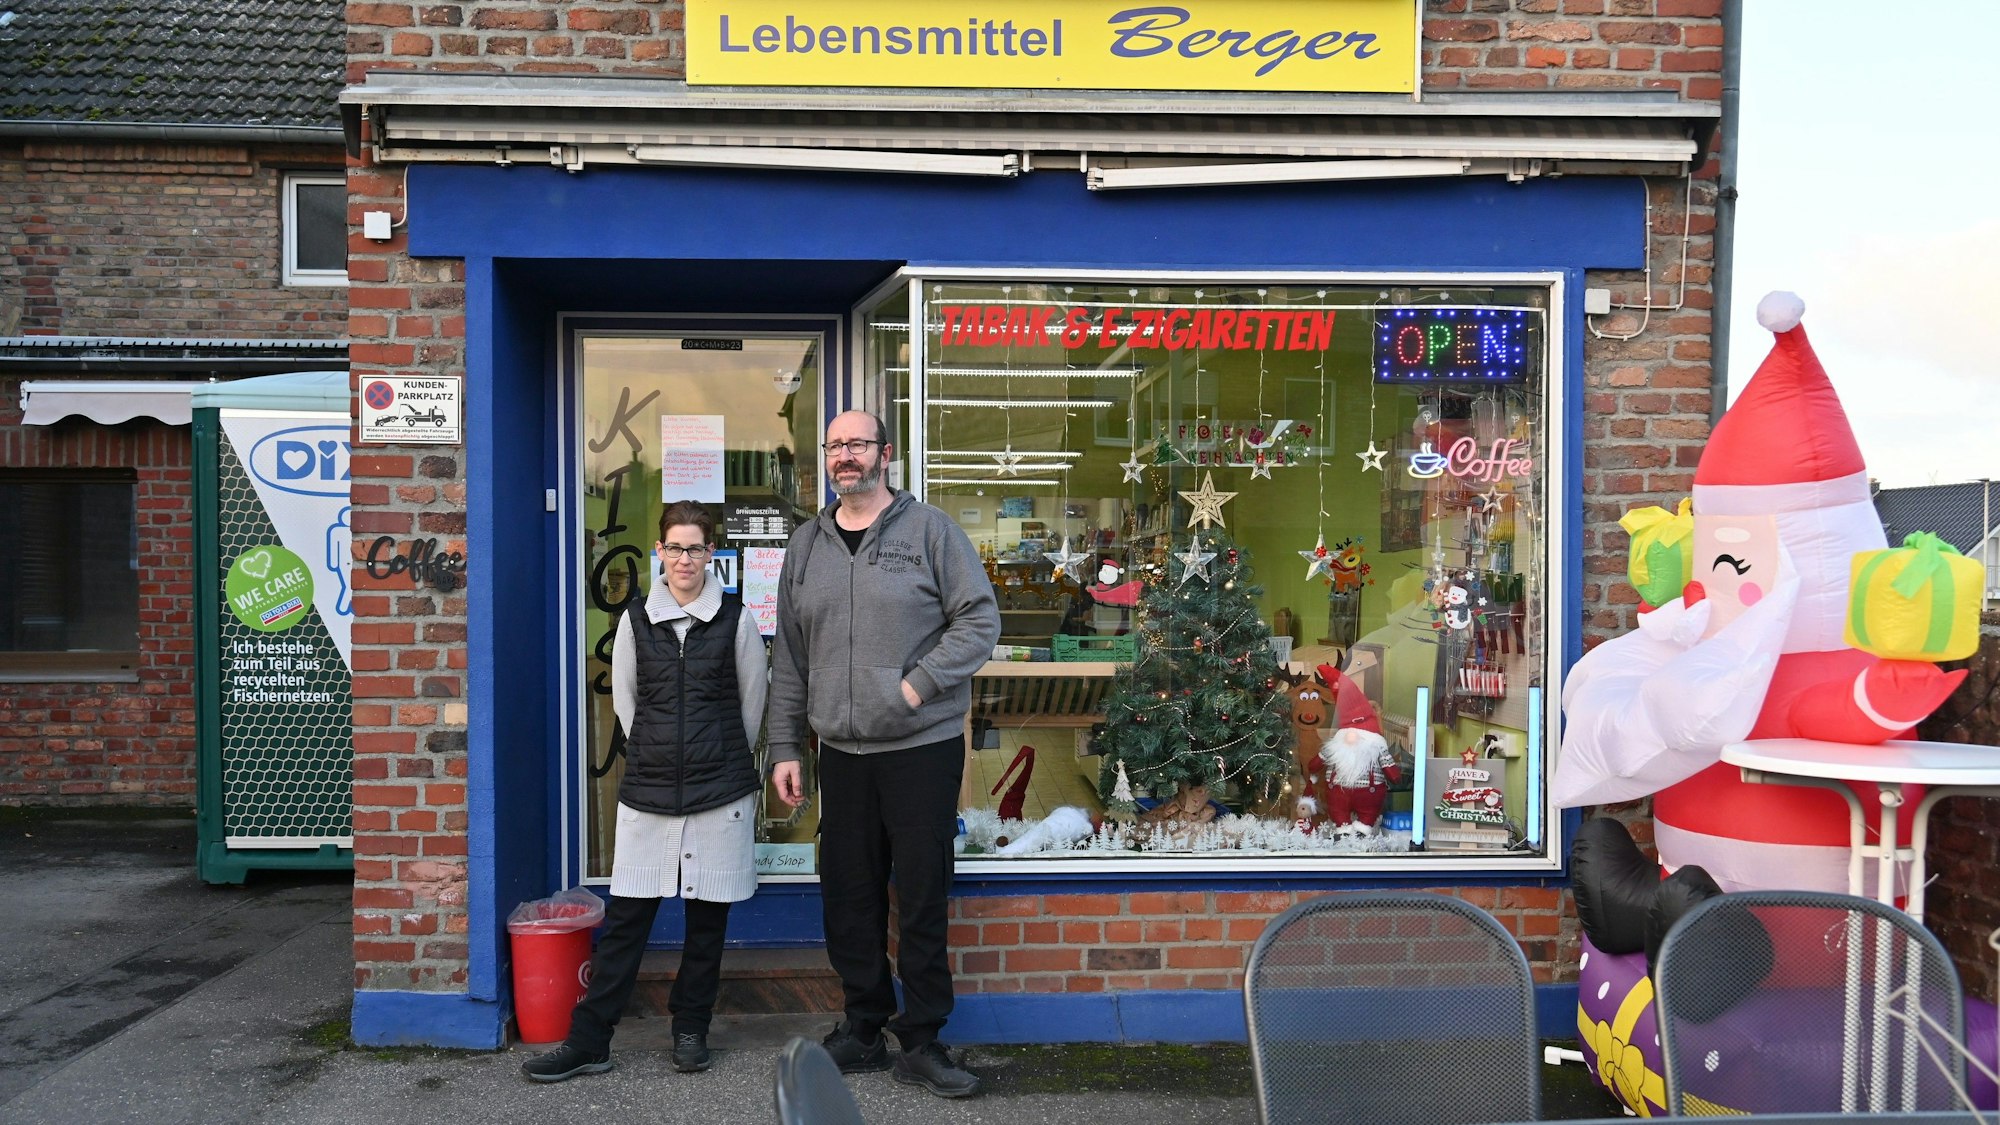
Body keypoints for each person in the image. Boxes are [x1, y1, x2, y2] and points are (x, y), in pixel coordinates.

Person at [767, 410, 1000, 1100]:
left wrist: (916, 683)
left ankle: (923, 1037)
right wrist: (786, 745)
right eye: (836, 445)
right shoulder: (806, 545)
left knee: (922, 892)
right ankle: (863, 1026)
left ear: (885, 454)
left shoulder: (930, 531)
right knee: (849, 892)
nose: (846, 455)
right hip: (840, 751)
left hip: (919, 748)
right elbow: (791, 658)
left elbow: (980, 619)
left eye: (858, 443)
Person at [522, 500, 768, 1083]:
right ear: (660, 552)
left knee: (707, 926)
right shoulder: (634, 620)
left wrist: (711, 757)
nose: (685, 558)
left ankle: (690, 1029)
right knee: (628, 923)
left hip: (719, 794)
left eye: (696, 547)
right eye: (675, 547)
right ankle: (589, 1040)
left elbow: (751, 710)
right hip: (649, 794)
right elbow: (628, 708)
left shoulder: (737, 619)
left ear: (713, 554)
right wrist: (664, 753)